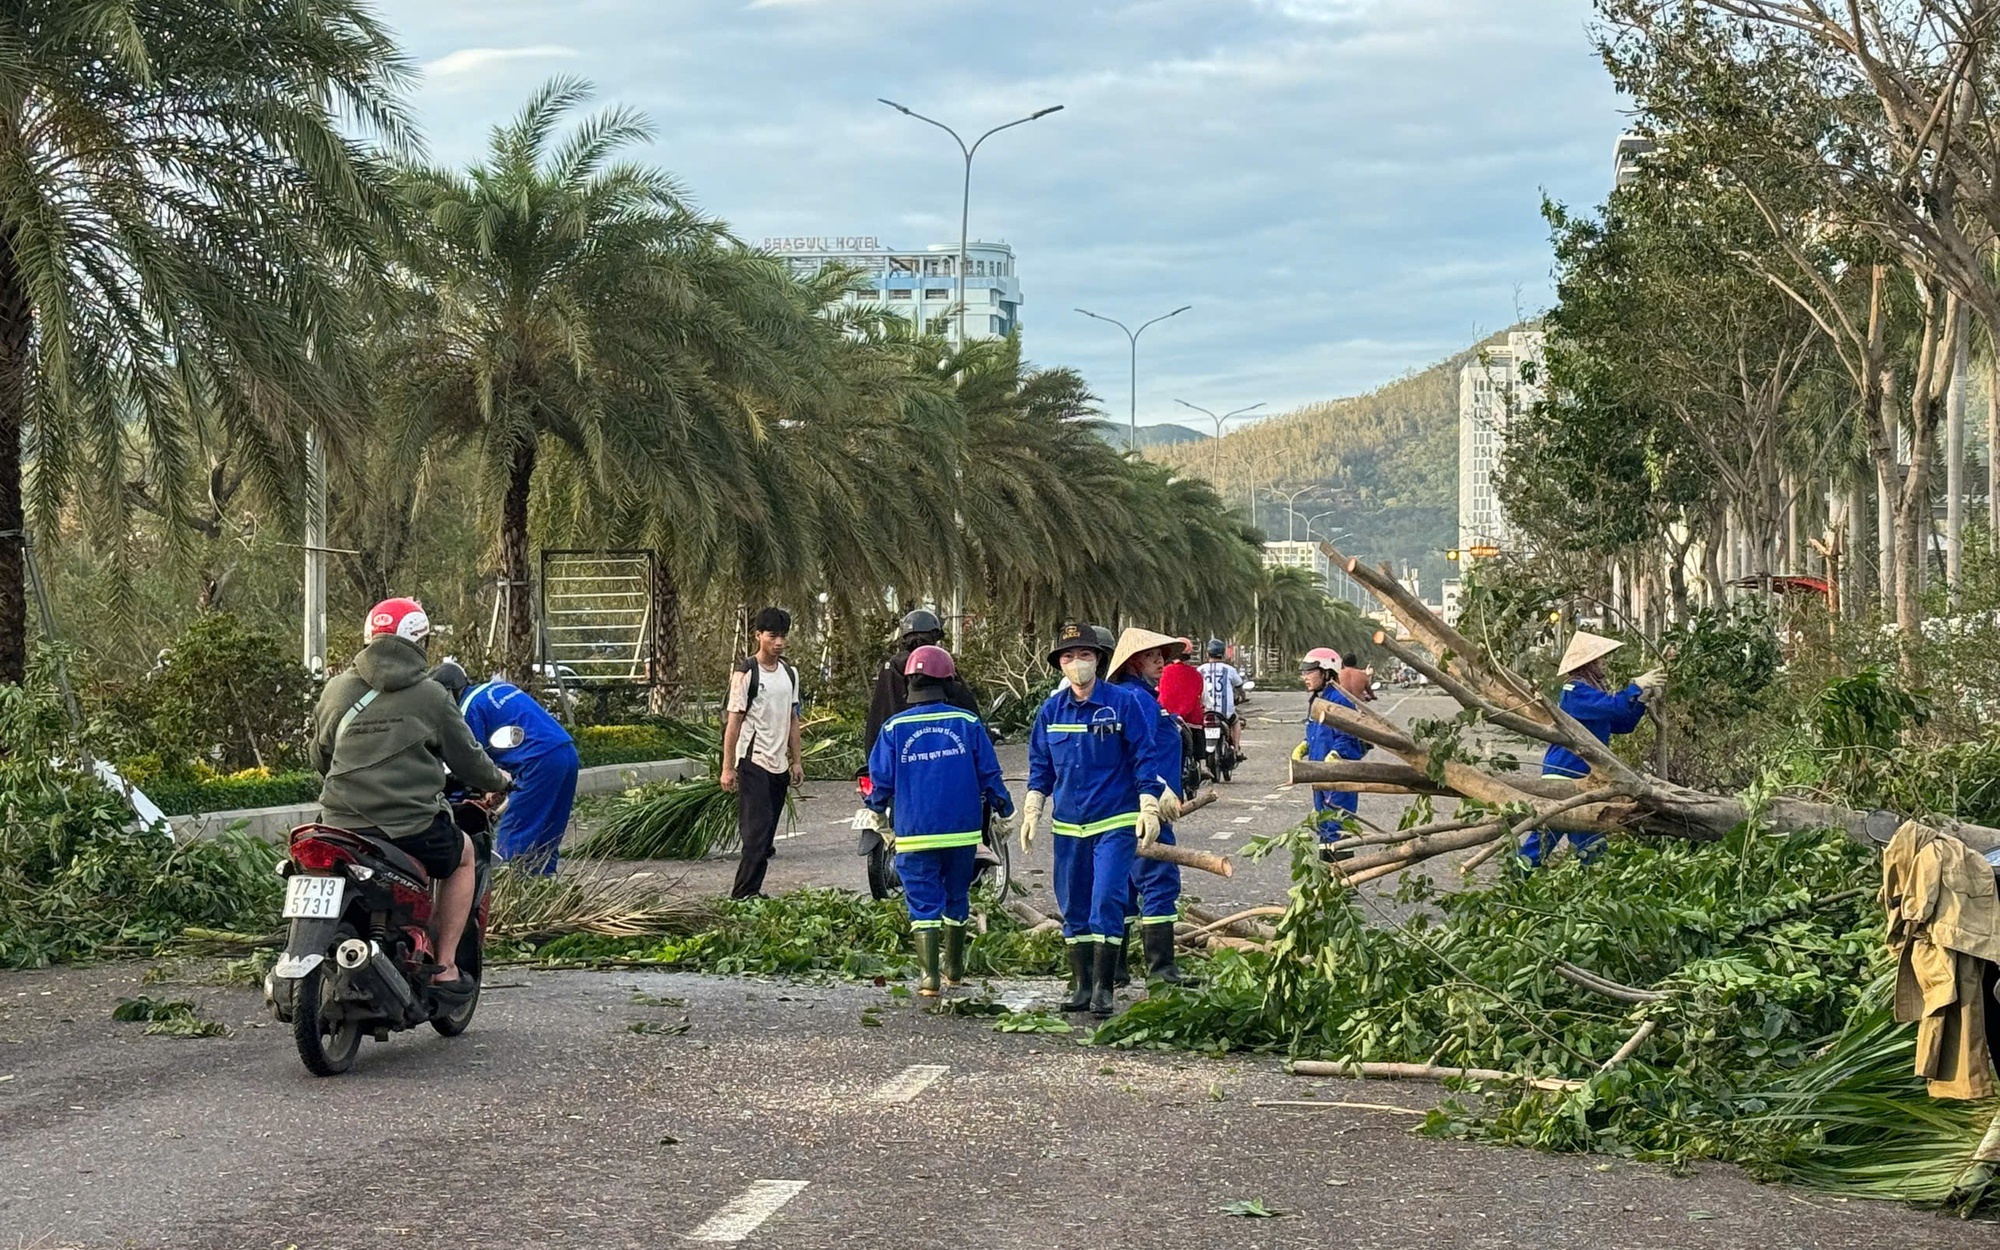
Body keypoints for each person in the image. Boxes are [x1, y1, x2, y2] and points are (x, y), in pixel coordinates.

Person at [309, 598, 511, 995]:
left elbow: (321, 758)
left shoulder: (336, 689)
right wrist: (499, 781)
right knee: (464, 855)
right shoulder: (431, 695)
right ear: (420, 641)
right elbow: (469, 761)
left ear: (369, 638)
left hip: (338, 824)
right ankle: (445, 966)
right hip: (409, 826)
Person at [1021, 622, 1166, 1017]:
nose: (1077, 663)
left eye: (1084, 655)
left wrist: (1149, 803)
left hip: (1114, 822)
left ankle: (1104, 987)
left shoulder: (1122, 704)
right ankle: (1082, 985)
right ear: (1060, 664)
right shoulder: (1051, 711)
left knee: (1107, 900)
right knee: (1074, 905)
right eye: (1068, 656)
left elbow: (1144, 756)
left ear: (1098, 659)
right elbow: (1041, 766)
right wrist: (1033, 808)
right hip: (1069, 827)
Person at [863, 645, 1014, 996]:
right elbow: (989, 774)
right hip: (962, 835)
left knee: (923, 903)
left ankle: (929, 978)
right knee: (956, 895)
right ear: (948, 682)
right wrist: (1006, 810)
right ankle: (954, 970)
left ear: (909, 683)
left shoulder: (894, 728)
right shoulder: (968, 723)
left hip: (915, 835)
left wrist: (876, 810)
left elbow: (880, 781)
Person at [1519, 631, 1665, 867]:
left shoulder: (1591, 693)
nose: (1604, 663)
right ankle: (1519, 875)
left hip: (1584, 777)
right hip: (1566, 774)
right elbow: (1615, 707)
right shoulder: (1575, 692)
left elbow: (1622, 724)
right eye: (1600, 659)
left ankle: (1587, 877)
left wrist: (1641, 701)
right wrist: (1635, 687)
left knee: (1585, 839)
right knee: (1551, 836)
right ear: (1589, 663)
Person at [430, 660, 581, 875]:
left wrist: (486, 786)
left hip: (537, 762)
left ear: (447, 694)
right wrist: (499, 786)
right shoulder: (495, 689)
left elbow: (472, 762)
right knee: (547, 834)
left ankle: (507, 885)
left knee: (514, 834)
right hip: (565, 752)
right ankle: (544, 883)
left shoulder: (468, 709)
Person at [1108, 627, 1192, 986]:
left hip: (1130, 805)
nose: (1161, 662)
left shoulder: (1140, 696)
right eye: (1152, 657)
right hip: (1146, 806)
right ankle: (1161, 970)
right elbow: (1134, 752)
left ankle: (1116, 970)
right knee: (1159, 881)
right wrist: (1160, 788)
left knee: (1125, 886)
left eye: (1162, 656)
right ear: (1132, 663)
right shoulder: (1136, 700)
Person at [721, 607, 804, 899]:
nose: (779, 642)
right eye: (772, 636)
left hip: (779, 764)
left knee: (767, 835)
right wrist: (727, 768)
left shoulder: (790, 674)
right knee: (756, 832)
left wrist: (796, 761)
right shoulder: (746, 673)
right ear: (758, 635)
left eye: (783, 636)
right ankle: (742, 893)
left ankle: (752, 891)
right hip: (753, 761)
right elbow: (733, 724)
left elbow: (793, 719)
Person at [1298, 648, 1368, 854]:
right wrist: (1305, 745)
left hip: (1338, 774)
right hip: (1321, 773)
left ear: (1327, 672)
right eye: (1304, 673)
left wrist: (1337, 753)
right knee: (1323, 825)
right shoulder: (1317, 699)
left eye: (1310, 672)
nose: (1305, 677)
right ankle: (1326, 869)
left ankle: (1342, 869)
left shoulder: (1340, 700)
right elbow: (1317, 732)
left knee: (1337, 827)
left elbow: (1348, 738)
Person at [1197, 639, 1247, 760]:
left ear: (1207, 654)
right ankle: (1236, 749)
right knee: (1235, 722)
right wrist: (1243, 697)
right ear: (1223, 654)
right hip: (1225, 713)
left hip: (1205, 711)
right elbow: (1239, 687)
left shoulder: (1200, 670)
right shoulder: (1229, 669)